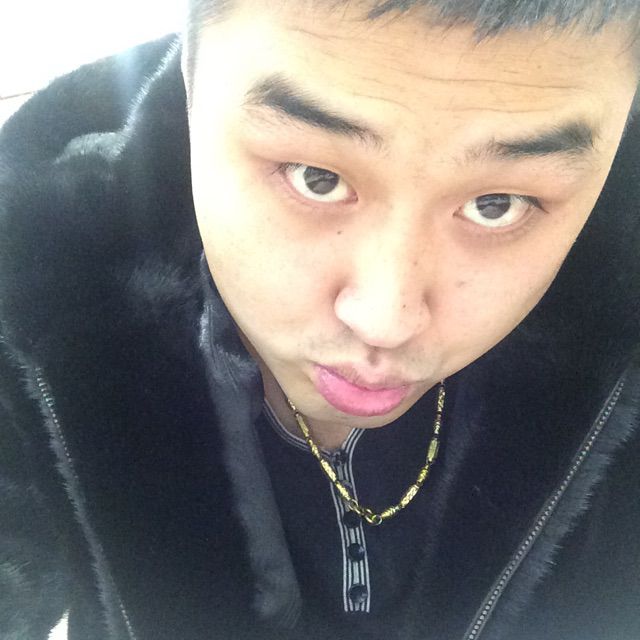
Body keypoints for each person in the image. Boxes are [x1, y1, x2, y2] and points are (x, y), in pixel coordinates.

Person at [1, 1, 639, 638]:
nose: (384, 320)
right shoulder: (39, 279)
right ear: (190, 81)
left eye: (496, 204)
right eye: (317, 178)